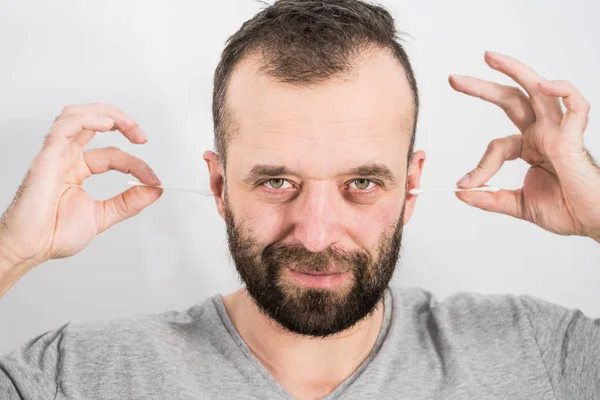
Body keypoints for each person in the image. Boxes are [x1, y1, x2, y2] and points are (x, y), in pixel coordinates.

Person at [1, 0, 599, 398]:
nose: (316, 235)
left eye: (361, 183)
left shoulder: (536, 355)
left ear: (411, 186)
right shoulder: (79, 376)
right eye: (275, 182)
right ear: (218, 185)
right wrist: (9, 253)